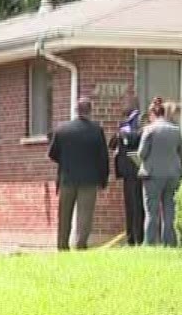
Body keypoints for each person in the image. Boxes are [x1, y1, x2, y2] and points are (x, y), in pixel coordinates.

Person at [48, 97, 109, 251]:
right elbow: (103, 157)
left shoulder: (62, 129)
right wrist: (103, 179)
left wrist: (66, 161)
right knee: (85, 214)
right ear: (90, 111)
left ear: (76, 110)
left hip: (67, 178)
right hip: (89, 179)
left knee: (64, 214)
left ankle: (62, 244)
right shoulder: (97, 130)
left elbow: (52, 154)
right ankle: (81, 244)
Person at [136, 97, 182, 246]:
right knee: (170, 210)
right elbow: (181, 151)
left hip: (152, 174)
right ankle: (170, 242)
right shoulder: (176, 130)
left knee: (151, 212)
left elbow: (141, 153)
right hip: (173, 173)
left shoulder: (149, 129)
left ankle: (150, 242)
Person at [112, 99, 145, 245]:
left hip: (135, 167)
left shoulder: (140, 120)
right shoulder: (125, 122)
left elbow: (140, 138)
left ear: (131, 105)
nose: (120, 106)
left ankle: (138, 237)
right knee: (129, 205)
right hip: (126, 170)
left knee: (137, 204)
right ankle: (130, 236)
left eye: (123, 103)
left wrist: (124, 136)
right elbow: (114, 142)